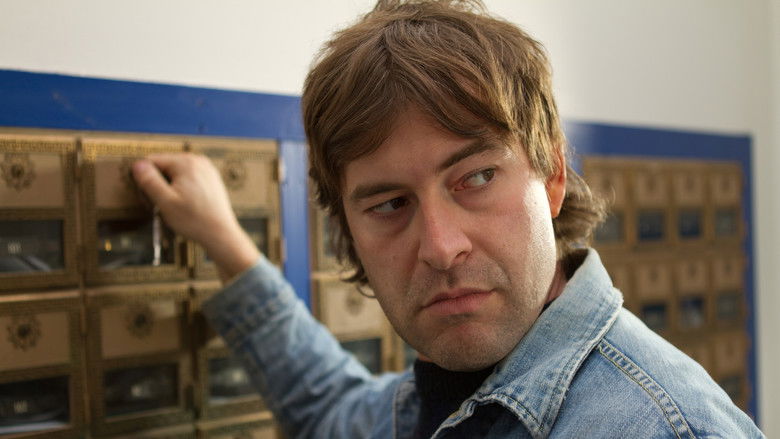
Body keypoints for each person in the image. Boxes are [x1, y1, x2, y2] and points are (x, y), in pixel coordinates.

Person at [132, 1, 764, 437]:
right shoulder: (431, 403)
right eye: (389, 205)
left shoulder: (669, 427)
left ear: (552, 177)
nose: (440, 246)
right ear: (347, 231)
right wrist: (225, 243)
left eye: (477, 178)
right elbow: (328, 411)